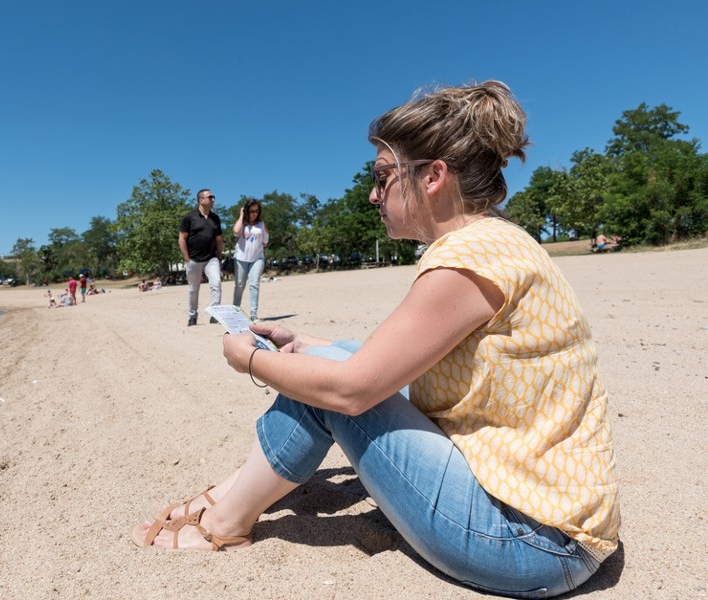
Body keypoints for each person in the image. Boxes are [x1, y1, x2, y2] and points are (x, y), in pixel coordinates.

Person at [132, 81, 620, 598]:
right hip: (544, 518)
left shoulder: (469, 258)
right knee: (333, 354)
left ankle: (226, 520)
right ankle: (231, 492)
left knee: (331, 388)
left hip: (531, 542)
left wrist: (251, 361)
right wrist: (303, 341)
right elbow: (381, 361)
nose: (373, 194)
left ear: (433, 176)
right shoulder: (496, 244)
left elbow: (352, 391)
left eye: (383, 177)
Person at [179, 188, 223, 326]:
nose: (213, 199)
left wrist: (219, 257)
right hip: (193, 260)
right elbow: (182, 238)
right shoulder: (189, 218)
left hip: (211, 258)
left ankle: (214, 314)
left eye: (213, 197)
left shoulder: (215, 218)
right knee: (193, 289)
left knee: (216, 283)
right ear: (201, 200)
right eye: (210, 197)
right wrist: (187, 258)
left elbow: (219, 239)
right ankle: (192, 316)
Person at [232, 199, 270, 321]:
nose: (254, 214)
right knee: (239, 285)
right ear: (246, 211)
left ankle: (253, 315)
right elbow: (235, 231)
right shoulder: (242, 224)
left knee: (254, 285)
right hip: (241, 258)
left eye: (256, 211)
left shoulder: (261, 224)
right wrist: (241, 216)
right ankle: (235, 310)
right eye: (251, 211)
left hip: (257, 259)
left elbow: (265, 243)